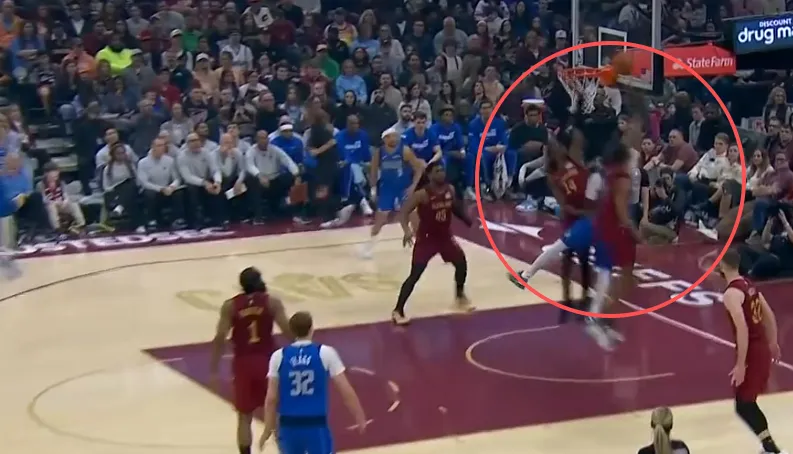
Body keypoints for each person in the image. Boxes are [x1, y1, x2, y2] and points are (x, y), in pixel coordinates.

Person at [508, 129, 597, 323]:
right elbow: (564, 205)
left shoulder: (574, 160)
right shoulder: (553, 175)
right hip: (579, 215)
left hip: (590, 211)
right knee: (567, 251)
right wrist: (579, 211)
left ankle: (527, 276)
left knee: (580, 255)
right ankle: (528, 276)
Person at [258, 311, 367, 453]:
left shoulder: (278, 356)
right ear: (311, 328)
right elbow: (346, 390)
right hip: (316, 424)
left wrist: (268, 428)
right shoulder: (325, 353)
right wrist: (359, 416)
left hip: (288, 425)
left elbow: (271, 398)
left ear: (292, 331)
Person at [209, 267, 292, 454]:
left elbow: (220, 337)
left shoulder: (230, 306)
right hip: (268, 362)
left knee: (244, 417)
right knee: (277, 414)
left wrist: (214, 369)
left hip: (243, 364)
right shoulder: (272, 302)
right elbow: (287, 330)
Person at [718, 248, 786, 454]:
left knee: (744, 404)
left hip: (752, 351)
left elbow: (742, 329)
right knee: (746, 402)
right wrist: (773, 342)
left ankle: (772, 449)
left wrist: (740, 364)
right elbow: (769, 315)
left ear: (722, 266)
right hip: (761, 347)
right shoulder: (749, 285)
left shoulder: (731, 294)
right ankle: (768, 446)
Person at [393, 161, 474, 324]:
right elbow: (403, 213)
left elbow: (454, 207)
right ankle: (398, 310)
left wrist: (466, 219)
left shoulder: (450, 189)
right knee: (415, 274)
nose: (441, 173)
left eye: (442, 170)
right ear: (429, 175)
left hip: (444, 237)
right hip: (427, 239)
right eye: (437, 171)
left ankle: (459, 296)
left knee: (461, 263)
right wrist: (407, 230)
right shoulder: (422, 194)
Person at [586, 138, 642, 351]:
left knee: (621, 276)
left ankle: (605, 319)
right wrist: (635, 233)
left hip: (605, 227)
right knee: (620, 277)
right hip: (614, 230)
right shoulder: (622, 179)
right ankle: (598, 318)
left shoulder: (609, 174)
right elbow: (621, 211)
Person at [361, 128, 424, 259]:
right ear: (385, 139)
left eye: (396, 136)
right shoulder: (379, 153)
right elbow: (373, 171)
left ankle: (420, 245)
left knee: (413, 217)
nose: (394, 139)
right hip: (387, 189)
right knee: (381, 219)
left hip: (403, 188)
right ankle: (369, 246)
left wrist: (413, 186)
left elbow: (419, 168)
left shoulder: (405, 150)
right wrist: (373, 189)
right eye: (391, 137)